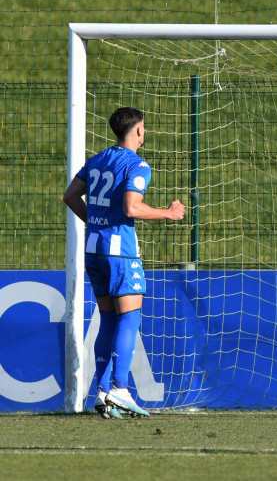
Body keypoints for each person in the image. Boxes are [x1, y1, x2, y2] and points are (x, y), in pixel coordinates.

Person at [62, 107, 185, 419]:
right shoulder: (138, 165)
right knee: (129, 318)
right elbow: (132, 207)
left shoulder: (98, 158)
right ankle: (119, 388)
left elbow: (70, 196)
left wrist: (96, 222)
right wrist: (169, 213)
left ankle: (103, 393)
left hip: (94, 249)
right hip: (120, 253)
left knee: (109, 319)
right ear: (139, 131)